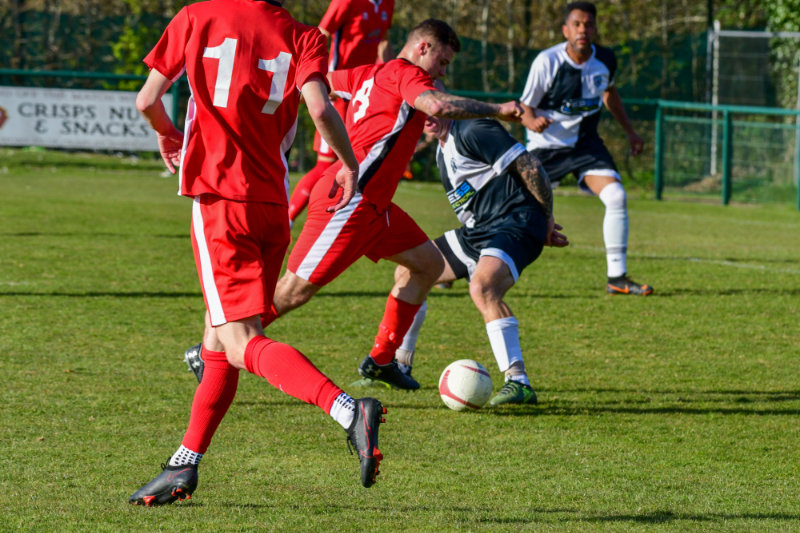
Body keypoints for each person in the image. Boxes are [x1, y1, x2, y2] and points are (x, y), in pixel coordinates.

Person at [129, 0, 386, 507]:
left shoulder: (197, 16)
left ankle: (347, 410)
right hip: (270, 205)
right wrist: (348, 163)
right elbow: (320, 109)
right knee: (218, 340)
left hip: (220, 201)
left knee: (240, 340)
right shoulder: (305, 35)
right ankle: (184, 464)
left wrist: (167, 133)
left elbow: (147, 100)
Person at [183, 19, 525, 390]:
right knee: (293, 291)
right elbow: (437, 105)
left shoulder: (368, 73)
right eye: (442, 62)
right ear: (423, 47)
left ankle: (381, 360)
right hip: (349, 201)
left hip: (375, 206)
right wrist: (498, 109)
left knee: (428, 265)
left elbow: (316, 84)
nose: (443, 72)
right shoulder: (408, 74)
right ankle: (210, 350)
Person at [391, 114, 568, 405]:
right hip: (480, 232)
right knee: (409, 271)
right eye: (420, 108)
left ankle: (518, 381)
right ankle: (399, 365)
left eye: (432, 102)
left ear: (447, 101)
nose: (428, 115)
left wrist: (546, 217)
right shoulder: (442, 152)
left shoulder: (473, 129)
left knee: (483, 287)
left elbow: (531, 166)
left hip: (516, 221)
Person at [519, 1, 653, 296]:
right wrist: (532, 121)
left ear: (595, 29)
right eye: (577, 24)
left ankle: (617, 278)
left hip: (585, 147)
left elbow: (610, 94)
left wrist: (630, 132)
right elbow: (524, 106)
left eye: (588, 24)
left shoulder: (605, 59)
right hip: (546, 148)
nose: (583, 30)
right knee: (508, 203)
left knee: (616, 196)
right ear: (565, 30)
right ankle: (457, 263)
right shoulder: (547, 61)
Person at [287, 0, 395, 224]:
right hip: (336, 91)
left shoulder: (388, 3)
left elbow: (384, 41)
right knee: (325, 164)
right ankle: (287, 219)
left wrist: (392, 75)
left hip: (362, 92)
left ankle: (340, 221)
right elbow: (321, 34)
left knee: (354, 160)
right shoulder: (347, 1)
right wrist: (318, 78)